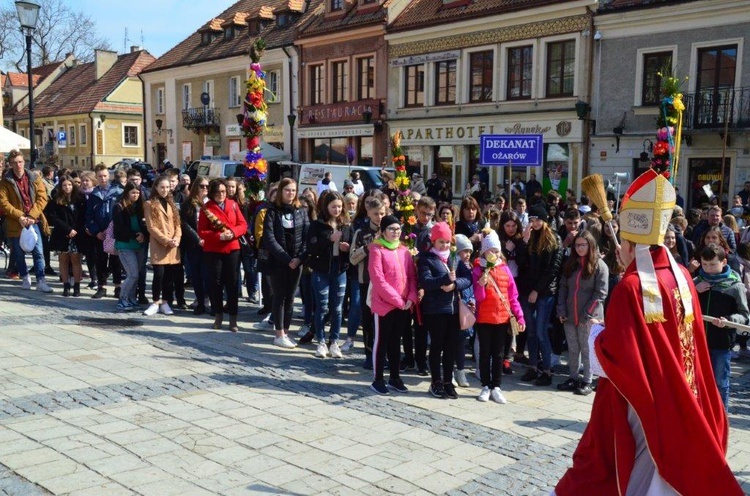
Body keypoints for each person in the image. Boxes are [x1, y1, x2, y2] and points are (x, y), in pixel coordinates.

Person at [555, 169, 742, 495]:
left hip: (642, 402)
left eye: (624, 244)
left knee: (638, 468)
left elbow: (620, 354)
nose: (621, 251)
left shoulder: (631, 286)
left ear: (629, 243)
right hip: (682, 394)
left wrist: (597, 336)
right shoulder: (682, 274)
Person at [418, 222, 470, 399]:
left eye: (447, 242)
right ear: (433, 241)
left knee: (451, 347)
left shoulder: (454, 257)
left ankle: (448, 381)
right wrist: (444, 280)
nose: (445, 246)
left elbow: (467, 278)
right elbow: (425, 281)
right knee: (437, 346)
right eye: (441, 242)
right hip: (435, 309)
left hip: (454, 309)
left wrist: (455, 285)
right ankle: (436, 382)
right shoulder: (427, 258)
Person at [694, 244, 749, 410]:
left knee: (719, 381)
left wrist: (730, 320)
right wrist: (694, 291)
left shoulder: (734, 286)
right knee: (698, 381)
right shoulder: (696, 282)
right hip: (698, 341)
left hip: (722, 343)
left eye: (713, 264)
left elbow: (744, 315)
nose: (708, 269)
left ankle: (720, 415)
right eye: (705, 264)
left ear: (724, 262)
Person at [368, 214, 418, 395]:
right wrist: (398, 300)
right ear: (383, 231)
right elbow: (378, 280)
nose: (396, 232)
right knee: (381, 341)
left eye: (398, 229)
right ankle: (377, 378)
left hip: (404, 305)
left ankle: (395, 377)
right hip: (385, 305)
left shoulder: (404, 250)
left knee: (396, 341)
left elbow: (412, 276)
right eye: (391, 229)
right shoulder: (376, 249)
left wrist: (411, 297)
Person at [473, 231, 524, 403]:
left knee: (499, 354)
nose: (493, 254)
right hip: (484, 318)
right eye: (490, 250)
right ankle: (485, 385)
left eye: (496, 250)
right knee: (485, 353)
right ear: (483, 252)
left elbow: (513, 296)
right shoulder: (478, 269)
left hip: (502, 318)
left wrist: (520, 317)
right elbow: (478, 297)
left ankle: (496, 386)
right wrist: (481, 283)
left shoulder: (505, 269)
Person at [556, 230, 608, 396]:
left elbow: (601, 293)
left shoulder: (600, 266)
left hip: (589, 317)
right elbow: (563, 287)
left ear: (590, 245)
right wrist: (561, 309)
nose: (579, 248)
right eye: (577, 245)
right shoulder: (571, 264)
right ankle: (573, 377)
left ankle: (587, 380)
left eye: (583, 245)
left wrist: (588, 314)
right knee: (573, 348)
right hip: (570, 314)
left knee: (587, 348)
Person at [519, 203, 562, 387]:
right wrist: (524, 242)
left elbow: (553, 269)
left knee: (541, 331)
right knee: (531, 332)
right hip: (528, 290)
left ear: (544, 220)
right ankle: (533, 367)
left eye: (537, 219)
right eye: (531, 219)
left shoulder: (554, 239)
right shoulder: (530, 237)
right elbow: (521, 263)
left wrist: (537, 290)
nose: (534, 223)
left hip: (544, 292)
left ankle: (546, 370)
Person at [306, 191, 352, 359]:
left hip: (339, 269)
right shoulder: (317, 225)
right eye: (333, 206)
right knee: (322, 307)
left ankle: (334, 341)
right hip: (321, 270)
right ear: (326, 207)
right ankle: (321, 342)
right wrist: (329, 240)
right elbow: (311, 247)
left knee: (338, 308)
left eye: (339, 206)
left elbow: (351, 246)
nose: (337, 209)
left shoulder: (346, 224)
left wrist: (346, 249)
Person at [263, 178, 309, 347]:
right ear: (281, 191)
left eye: (293, 190)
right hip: (279, 261)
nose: (290, 193)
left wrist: (299, 258)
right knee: (279, 297)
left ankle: (286, 332)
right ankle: (279, 333)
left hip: (296, 261)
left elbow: (306, 236)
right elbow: (269, 238)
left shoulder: (301, 211)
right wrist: (286, 259)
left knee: (290, 297)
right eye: (287, 190)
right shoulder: (272, 211)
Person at [198, 178, 248, 332]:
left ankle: (233, 318)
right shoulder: (206, 208)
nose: (221, 194)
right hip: (214, 250)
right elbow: (202, 231)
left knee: (232, 284)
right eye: (218, 192)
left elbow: (243, 225)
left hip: (232, 248)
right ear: (212, 193)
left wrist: (232, 233)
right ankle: (218, 314)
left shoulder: (233, 205)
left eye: (223, 191)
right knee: (215, 283)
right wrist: (218, 236)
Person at [0, 150, 52, 293]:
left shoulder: (34, 177)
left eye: (20, 162)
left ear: (24, 162)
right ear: (10, 164)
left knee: (38, 252)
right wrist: (20, 216)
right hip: (16, 222)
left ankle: (41, 280)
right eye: (15, 163)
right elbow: (3, 202)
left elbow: (43, 198)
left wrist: (32, 216)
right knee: (18, 252)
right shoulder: (5, 182)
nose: (18, 165)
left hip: (33, 221)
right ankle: (25, 277)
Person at [349, 195, 386, 367]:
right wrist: (366, 248)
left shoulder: (390, 231)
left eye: (382, 213)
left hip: (385, 283)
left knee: (384, 320)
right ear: (369, 214)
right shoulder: (361, 232)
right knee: (368, 318)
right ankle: (369, 352)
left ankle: (383, 353)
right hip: (366, 281)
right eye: (376, 214)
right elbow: (352, 258)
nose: (379, 217)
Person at [143, 175, 182, 318]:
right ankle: (155, 302)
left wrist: (176, 239)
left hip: (173, 245)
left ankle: (165, 302)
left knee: (169, 276)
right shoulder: (149, 204)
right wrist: (166, 240)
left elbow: (178, 224)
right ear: (156, 188)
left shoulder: (171, 203)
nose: (165, 190)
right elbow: (151, 227)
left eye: (167, 187)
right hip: (160, 244)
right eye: (162, 187)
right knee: (158, 275)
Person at [85, 164, 123, 299]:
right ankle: (102, 286)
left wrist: (114, 229)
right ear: (96, 177)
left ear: (109, 176)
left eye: (105, 176)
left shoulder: (118, 192)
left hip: (114, 232)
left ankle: (118, 286)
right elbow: (88, 216)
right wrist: (96, 231)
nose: (103, 178)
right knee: (100, 260)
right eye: (100, 176)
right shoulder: (94, 195)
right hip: (99, 234)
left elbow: (121, 213)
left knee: (116, 260)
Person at [45, 175, 88, 297]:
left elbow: (83, 216)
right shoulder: (56, 199)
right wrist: (67, 229)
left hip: (77, 233)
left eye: (69, 184)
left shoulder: (80, 198)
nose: (67, 187)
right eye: (64, 185)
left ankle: (77, 286)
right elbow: (53, 217)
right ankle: (66, 285)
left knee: (76, 260)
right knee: (63, 260)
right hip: (62, 233)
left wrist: (75, 230)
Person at [112, 181, 148, 311]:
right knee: (132, 274)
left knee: (136, 274)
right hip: (125, 244)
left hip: (139, 245)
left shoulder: (140, 207)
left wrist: (143, 234)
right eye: (133, 192)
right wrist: (135, 235)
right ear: (127, 193)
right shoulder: (119, 207)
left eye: (138, 192)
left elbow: (145, 224)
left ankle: (131, 299)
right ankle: (122, 299)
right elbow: (120, 227)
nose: (136, 195)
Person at [181, 178, 211, 314]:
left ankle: (207, 299)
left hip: (210, 243)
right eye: (202, 186)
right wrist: (197, 239)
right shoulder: (188, 203)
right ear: (195, 187)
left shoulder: (211, 203)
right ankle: (200, 302)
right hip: (194, 243)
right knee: (196, 274)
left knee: (208, 274)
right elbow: (185, 224)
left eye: (207, 186)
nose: (205, 188)